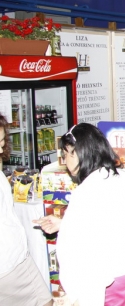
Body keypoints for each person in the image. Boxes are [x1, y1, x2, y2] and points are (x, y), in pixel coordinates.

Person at [35, 123, 125, 305]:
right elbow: (109, 225)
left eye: (67, 154)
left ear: (80, 153)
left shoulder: (85, 192)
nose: (65, 161)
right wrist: (63, 224)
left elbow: (77, 247)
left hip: (111, 278)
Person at [0, 114, 53, 306]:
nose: (0, 149)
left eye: (2, 142)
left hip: (12, 260)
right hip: (11, 264)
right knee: (44, 301)